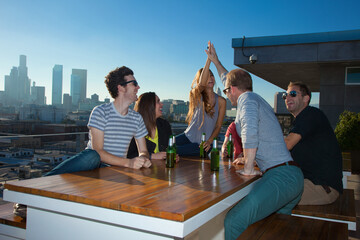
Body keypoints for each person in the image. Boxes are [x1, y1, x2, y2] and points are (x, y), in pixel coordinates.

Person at [14, 66, 151, 218]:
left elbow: (143, 150)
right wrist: (129, 163)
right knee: (92, 155)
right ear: (121, 88)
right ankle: (27, 196)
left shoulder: (136, 118)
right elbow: (99, 152)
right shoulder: (100, 112)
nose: (138, 87)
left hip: (116, 169)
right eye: (134, 83)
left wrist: (143, 158)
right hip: (95, 163)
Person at [206, 42, 304, 240]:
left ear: (232, 90)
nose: (226, 94)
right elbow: (228, 77)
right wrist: (215, 60)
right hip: (290, 176)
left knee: (234, 220)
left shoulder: (246, 101)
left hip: (281, 177)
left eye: (226, 91)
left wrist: (249, 167)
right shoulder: (255, 97)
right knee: (274, 230)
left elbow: (250, 131)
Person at [284, 81, 343, 205]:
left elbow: (287, 144)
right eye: (286, 95)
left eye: (293, 94)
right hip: (307, 182)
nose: (287, 98)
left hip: (322, 187)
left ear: (306, 98)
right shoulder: (301, 122)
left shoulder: (311, 114)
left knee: (268, 197)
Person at [175, 56, 226, 156]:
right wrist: (209, 59)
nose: (210, 78)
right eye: (206, 76)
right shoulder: (196, 95)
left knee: (173, 151)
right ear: (200, 80)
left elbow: (218, 125)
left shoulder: (221, 101)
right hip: (187, 137)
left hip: (204, 144)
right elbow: (202, 85)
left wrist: (210, 141)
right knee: (166, 147)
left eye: (211, 75)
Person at [127, 92, 179, 162]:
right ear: (148, 106)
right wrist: (152, 156)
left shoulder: (164, 125)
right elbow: (128, 155)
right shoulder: (133, 126)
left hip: (161, 169)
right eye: (158, 102)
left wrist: (172, 156)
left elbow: (169, 149)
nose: (161, 104)